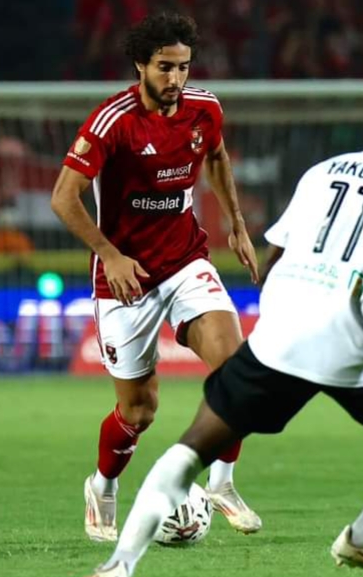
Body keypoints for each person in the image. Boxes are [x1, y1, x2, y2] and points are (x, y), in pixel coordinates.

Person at [73, 85, 363, 577]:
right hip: (358, 345)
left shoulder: (324, 172)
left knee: (191, 447)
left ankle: (118, 567)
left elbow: (276, 261)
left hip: (280, 337)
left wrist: (279, 327)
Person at [50, 12, 263, 543]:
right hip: (126, 279)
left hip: (186, 261)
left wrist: (237, 225)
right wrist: (110, 255)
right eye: (165, 67)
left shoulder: (204, 109)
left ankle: (222, 483)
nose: (176, 78)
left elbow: (216, 156)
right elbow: (63, 197)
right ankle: (102, 486)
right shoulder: (112, 121)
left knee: (238, 373)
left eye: (183, 67)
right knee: (139, 411)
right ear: (140, 65)